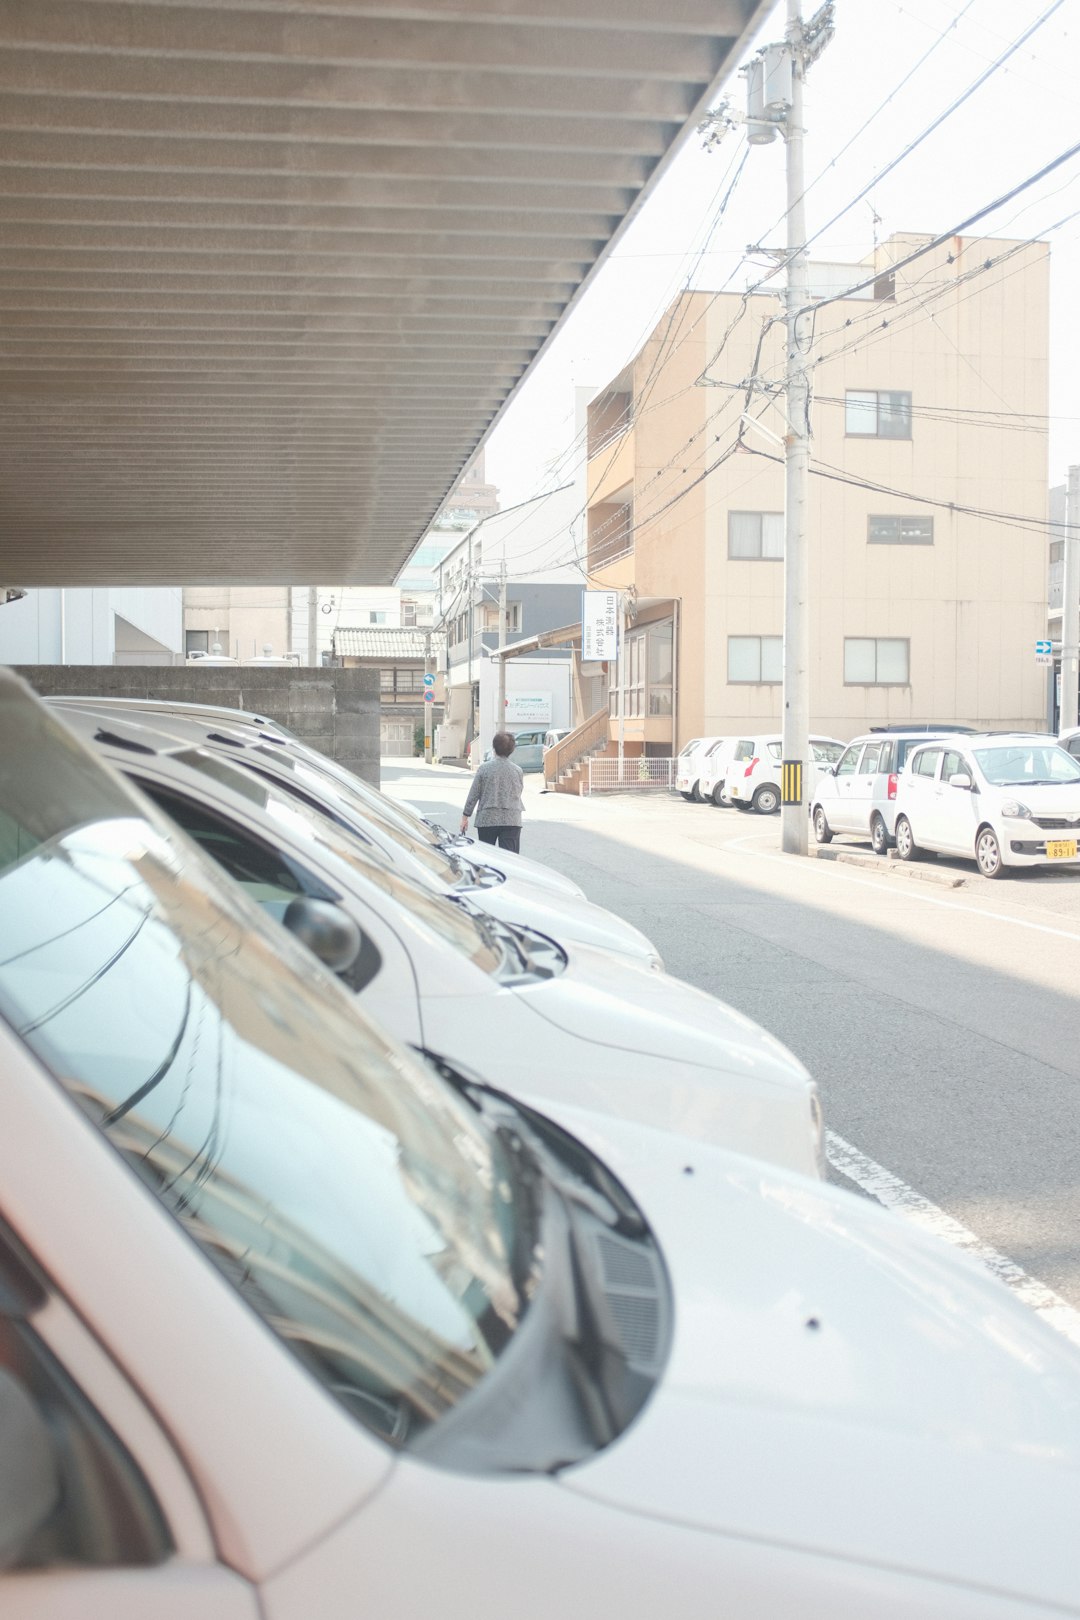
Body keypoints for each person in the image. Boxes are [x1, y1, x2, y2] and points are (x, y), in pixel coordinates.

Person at [460, 731, 524, 852]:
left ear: (494, 748)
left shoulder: (484, 768)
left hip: (487, 820)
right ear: (512, 750)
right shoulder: (518, 771)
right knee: (510, 861)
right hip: (512, 819)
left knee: (487, 859)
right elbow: (519, 792)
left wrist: (465, 817)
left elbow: (474, 794)